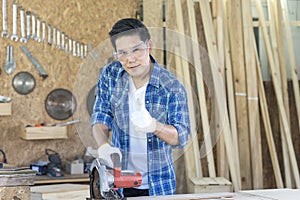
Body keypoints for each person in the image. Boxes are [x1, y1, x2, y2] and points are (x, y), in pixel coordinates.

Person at [91, 18, 190, 197]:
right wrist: (103, 145)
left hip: (159, 186)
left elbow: (181, 136)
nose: (130, 59)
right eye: (122, 53)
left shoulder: (171, 86)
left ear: (149, 46)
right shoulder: (110, 75)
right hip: (118, 185)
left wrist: (155, 126)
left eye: (136, 49)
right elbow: (101, 115)